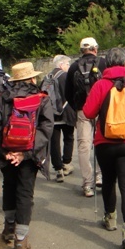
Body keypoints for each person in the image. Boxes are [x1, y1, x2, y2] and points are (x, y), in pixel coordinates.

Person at [82, 48, 125, 249]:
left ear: (107, 65)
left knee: (108, 181)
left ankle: (110, 218)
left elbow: (88, 112)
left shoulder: (100, 85)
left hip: (104, 143)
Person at [0, 62, 54, 249]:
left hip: (7, 153)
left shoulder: (1, 99)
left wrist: (5, 150)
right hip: (28, 156)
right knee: (25, 193)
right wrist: (26, 153)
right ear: (32, 79)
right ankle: (21, 241)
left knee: (9, 186)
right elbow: (46, 129)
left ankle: (9, 228)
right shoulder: (41, 99)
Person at [64, 37, 107, 197]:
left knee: (83, 145)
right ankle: (100, 176)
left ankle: (87, 184)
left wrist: (77, 107)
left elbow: (67, 93)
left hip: (83, 110)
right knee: (101, 142)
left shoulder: (74, 66)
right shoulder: (103, 63)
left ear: (81, 50)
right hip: (101, 110)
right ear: (95, 49)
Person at [44, 54, 76, 182]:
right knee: (69, 137)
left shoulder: (47, 77)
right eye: (68, 64)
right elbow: (73, 94)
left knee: (54, 141)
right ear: (62, 65)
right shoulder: (66, 76)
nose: (69, 67)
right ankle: (66, 163)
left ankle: (58, 169)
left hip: (51, 114)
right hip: (66, 113)